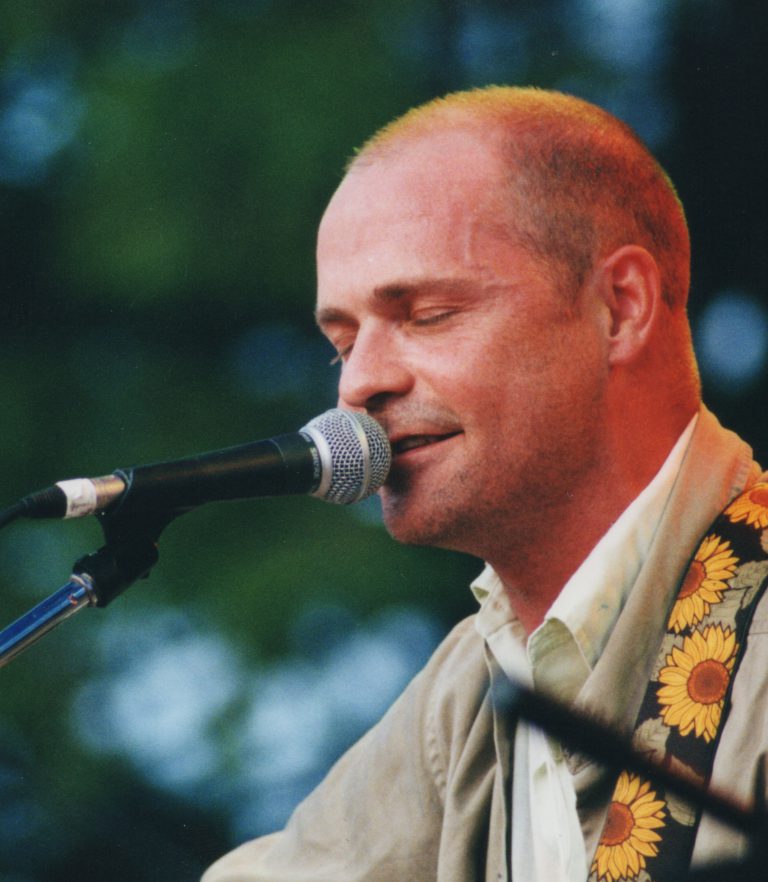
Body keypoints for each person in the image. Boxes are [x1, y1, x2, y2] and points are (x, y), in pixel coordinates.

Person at [202, 86, 768, 882]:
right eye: (342, 343)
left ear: (622, 308)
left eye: (428, 314)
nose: (358, 384)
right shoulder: (470, 687)